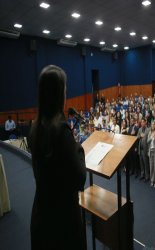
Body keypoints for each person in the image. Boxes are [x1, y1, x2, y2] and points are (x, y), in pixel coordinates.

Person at [29, 65, 86, 250]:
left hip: (41, 216)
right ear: (58, 93)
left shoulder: (35, 127)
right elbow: (80, 180)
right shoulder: (61, 131)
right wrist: (79, 149)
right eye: (64, 90)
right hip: (62, 224)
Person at [147, 122, 155, 188]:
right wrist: (151, 137)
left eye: (153, 125)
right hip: (150, 151)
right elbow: (147, 141)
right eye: (151, 125)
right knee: (151, 167)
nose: (152, 126)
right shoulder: (149, 133)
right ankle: (152, 180)